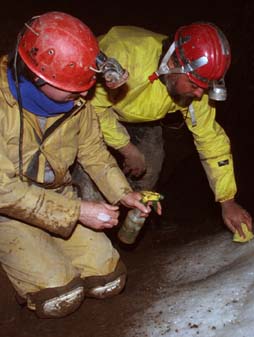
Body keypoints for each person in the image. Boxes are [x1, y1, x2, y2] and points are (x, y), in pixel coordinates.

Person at [0, 11, 157, 318]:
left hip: (59, 197)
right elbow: (3, 189)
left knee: (109, 281)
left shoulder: (76, 104)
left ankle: (45, 248)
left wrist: (125, 195)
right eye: (77, 84)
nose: (86, 91)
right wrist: (78, 212)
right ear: (38, 76)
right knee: (61, 297)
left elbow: (94, 154)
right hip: (8, 212)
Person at [89, 22, 252, 237]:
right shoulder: (124, 53)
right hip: (88, 110)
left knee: (151, 162)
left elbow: (210, 139)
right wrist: (126, 148)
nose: (198, 95)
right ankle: (88, 223)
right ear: (174, 63)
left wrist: (227, 201)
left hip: (141, 118)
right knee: (90, 172)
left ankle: (122, 225)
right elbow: (92, 109)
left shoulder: (197, 88)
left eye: (205, 88)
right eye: (194, 85)